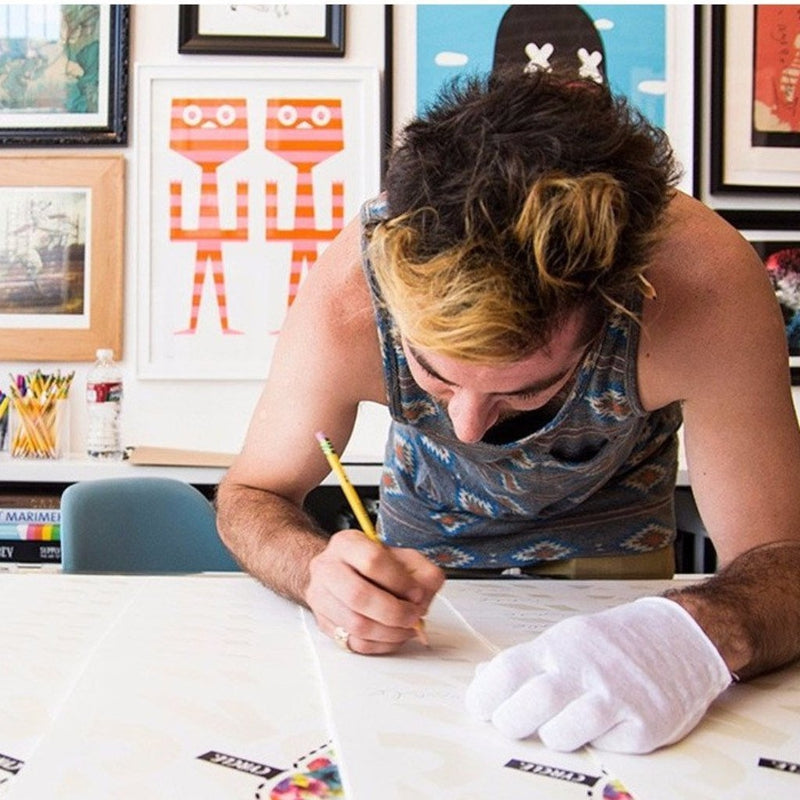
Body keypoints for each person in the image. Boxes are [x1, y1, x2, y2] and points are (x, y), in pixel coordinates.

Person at [216, 67, 800, 755]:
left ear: (620, 300)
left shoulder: (703, 288)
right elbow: (252, 493)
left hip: (616, 553)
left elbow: (781, 557)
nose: (467, 429)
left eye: (524, 391)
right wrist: (315, 571)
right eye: (435, 376)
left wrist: (694, 631)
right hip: (421, 557)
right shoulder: (349, 295)